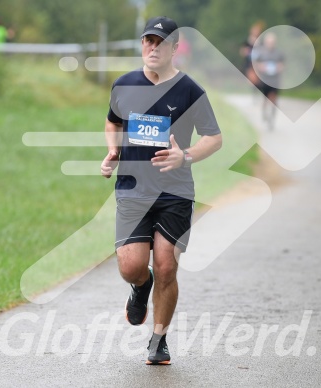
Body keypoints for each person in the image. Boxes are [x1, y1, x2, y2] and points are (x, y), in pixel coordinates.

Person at [100, 16, 222, 365]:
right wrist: (113, 150)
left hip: (175, 192)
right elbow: (113, 120)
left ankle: (159, 339)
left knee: (167, 265)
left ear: (174, 48)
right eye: (147, 41)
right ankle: (141, 285)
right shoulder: (124, 85)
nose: (152, 48)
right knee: (130, 267)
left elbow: (214, 138)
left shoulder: (190, 91)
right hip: (133, 190)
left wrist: (185, 156)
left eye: (160, 42)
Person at [252, 32, 284, 130]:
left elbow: (282, 65)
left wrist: (279, 68)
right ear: (265, 43)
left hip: (275, 81)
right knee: (265, 99)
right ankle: (265, 113)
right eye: (269, 42)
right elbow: (256, 64)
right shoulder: (261, 53)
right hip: (265, 80)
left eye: (272, 42)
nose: (270, 44)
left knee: (274, 99)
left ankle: (272, 118)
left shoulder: (279, 53)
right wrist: (261, 68)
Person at [239, 21, 264, 87]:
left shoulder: (261, 42)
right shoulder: (247, 41)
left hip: (258, 64)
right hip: (249, 64)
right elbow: (242, 52)